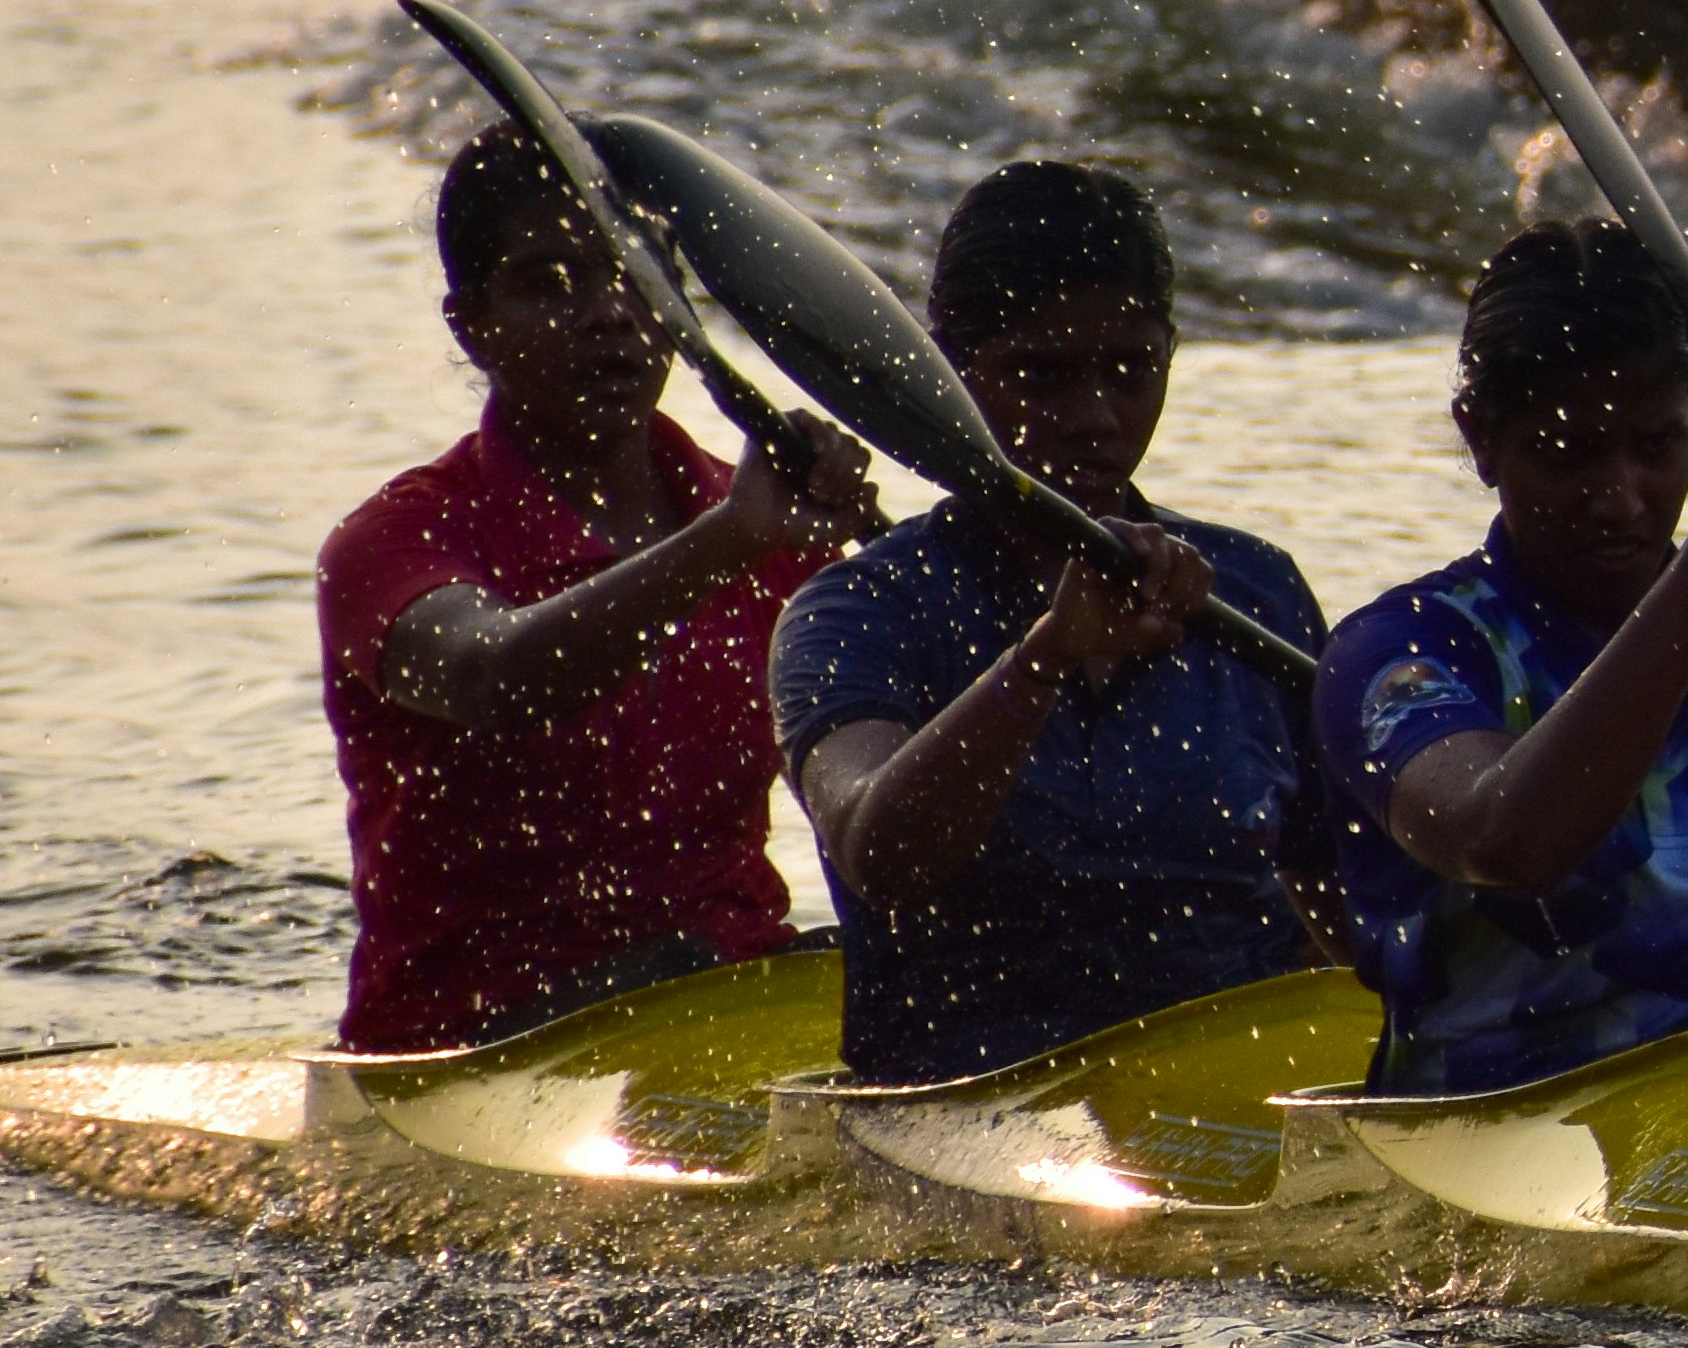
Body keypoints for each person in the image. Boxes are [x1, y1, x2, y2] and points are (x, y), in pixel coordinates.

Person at [1314, 224, 1688, 1095]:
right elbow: (1507, 841)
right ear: (1480, 439)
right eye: (1569, 455)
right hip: (1502, 1122)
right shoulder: (1398, 653)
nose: (1622, 499)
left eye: (1658, 446)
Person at [312, 126, 877, 1051]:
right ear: (472, 327)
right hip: (476, 1043)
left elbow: (877, 792)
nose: (609, 311)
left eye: (634, 272)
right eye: (548, 282)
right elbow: (498, 679)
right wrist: (732, 539)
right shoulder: (395, 541)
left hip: (730, 999)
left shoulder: (774, 537)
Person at [770, 159, 1332, 1085]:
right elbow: (879, 851)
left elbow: (1357, 909)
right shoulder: (856, 611)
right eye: (1043, 375)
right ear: (952, 370)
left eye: (1131, 370)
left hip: (1236, 1104)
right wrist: (1045, 660)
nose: (1096, 417)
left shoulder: (1257, 592)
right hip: (965, 1104)